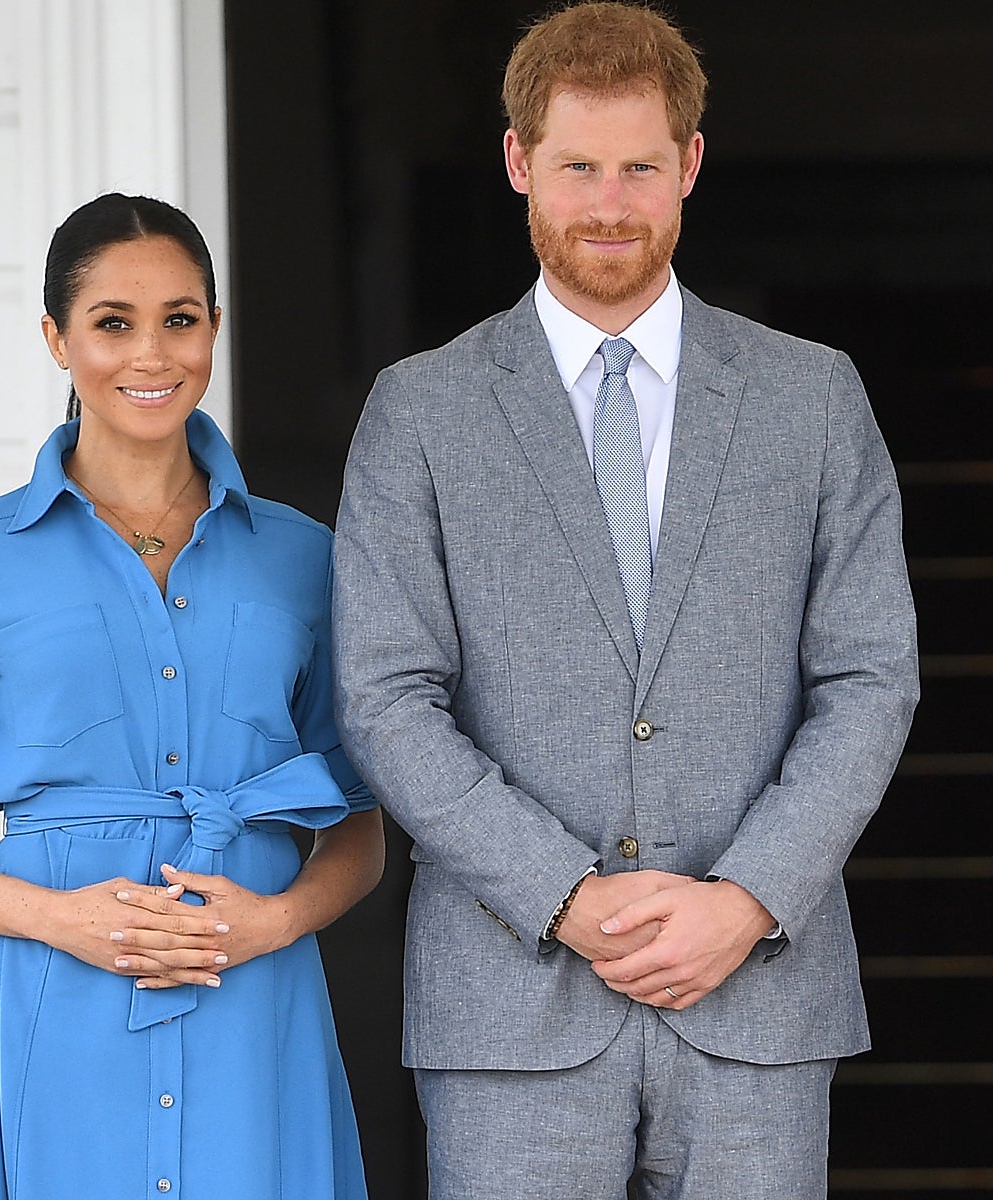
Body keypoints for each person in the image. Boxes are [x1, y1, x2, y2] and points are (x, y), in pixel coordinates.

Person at [332, 4, 918, 1197]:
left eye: (641, 166)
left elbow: (870, 677)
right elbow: (386, 696)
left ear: (691, 165)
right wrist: (566, 897)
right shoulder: (420, 410)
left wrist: (749, 899)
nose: (609, 202)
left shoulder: (812, 397)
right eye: (578, 166)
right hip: (512, 1006)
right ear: (518, 163)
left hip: (757, 1001)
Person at [0, 192, 383, 1200]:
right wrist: (56, 920)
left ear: (214, 329)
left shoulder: (304, 558)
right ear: (56, 338)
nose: (151, 355)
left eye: (180, 319)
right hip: (55, 1003)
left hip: (252, 999)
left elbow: (360, 822)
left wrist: (277, 921)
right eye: (112, 323)